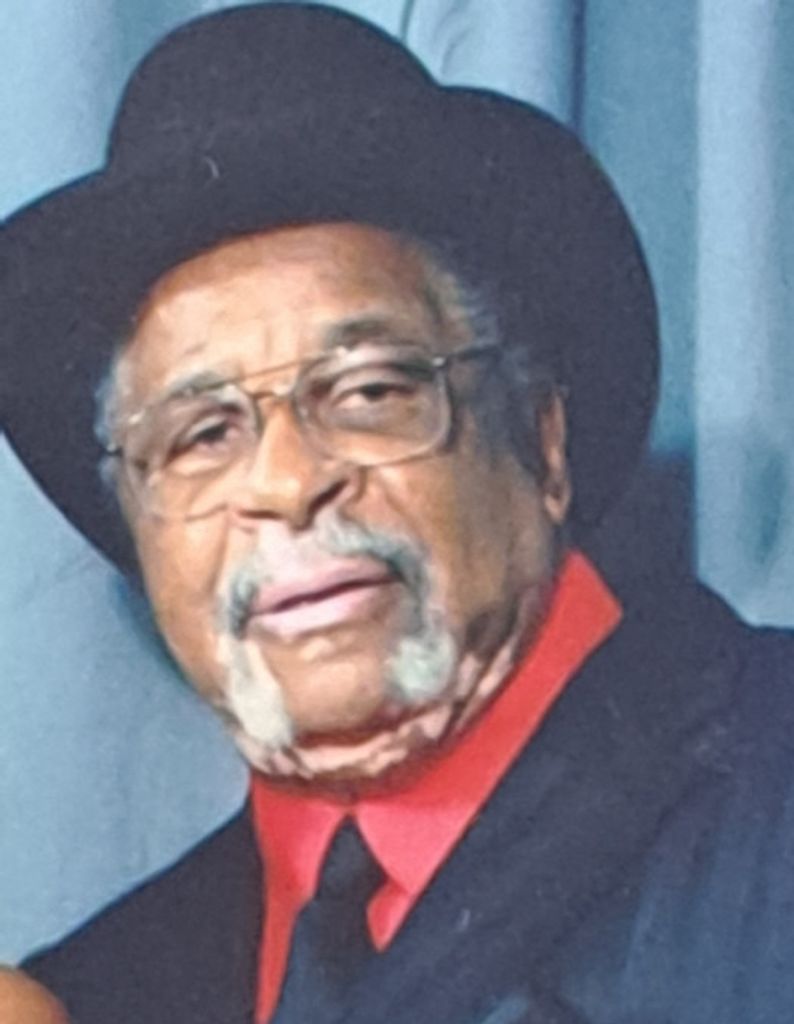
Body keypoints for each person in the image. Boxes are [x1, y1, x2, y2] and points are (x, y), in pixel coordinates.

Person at [2, 6, 793, 1024]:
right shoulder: (92, 995)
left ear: (541, 438)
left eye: (370, 391)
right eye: (202, 434)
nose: (288, 483)